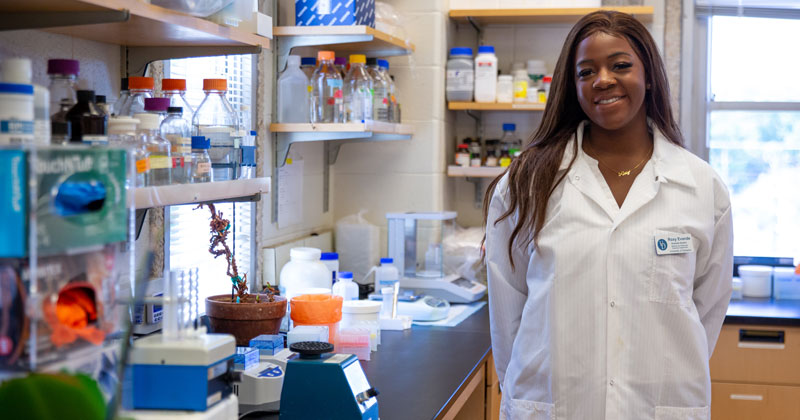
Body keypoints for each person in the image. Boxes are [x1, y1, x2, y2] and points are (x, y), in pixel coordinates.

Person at [483, 11, 733, 420]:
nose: (602, 79)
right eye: (586, 71)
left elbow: (705, 313)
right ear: (573, 86)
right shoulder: (526, 182)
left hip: (656, 407)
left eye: (620, 65)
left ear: (649, 74)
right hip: (553, 405)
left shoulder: (702, 188)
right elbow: (507, 312)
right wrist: (522, 395)